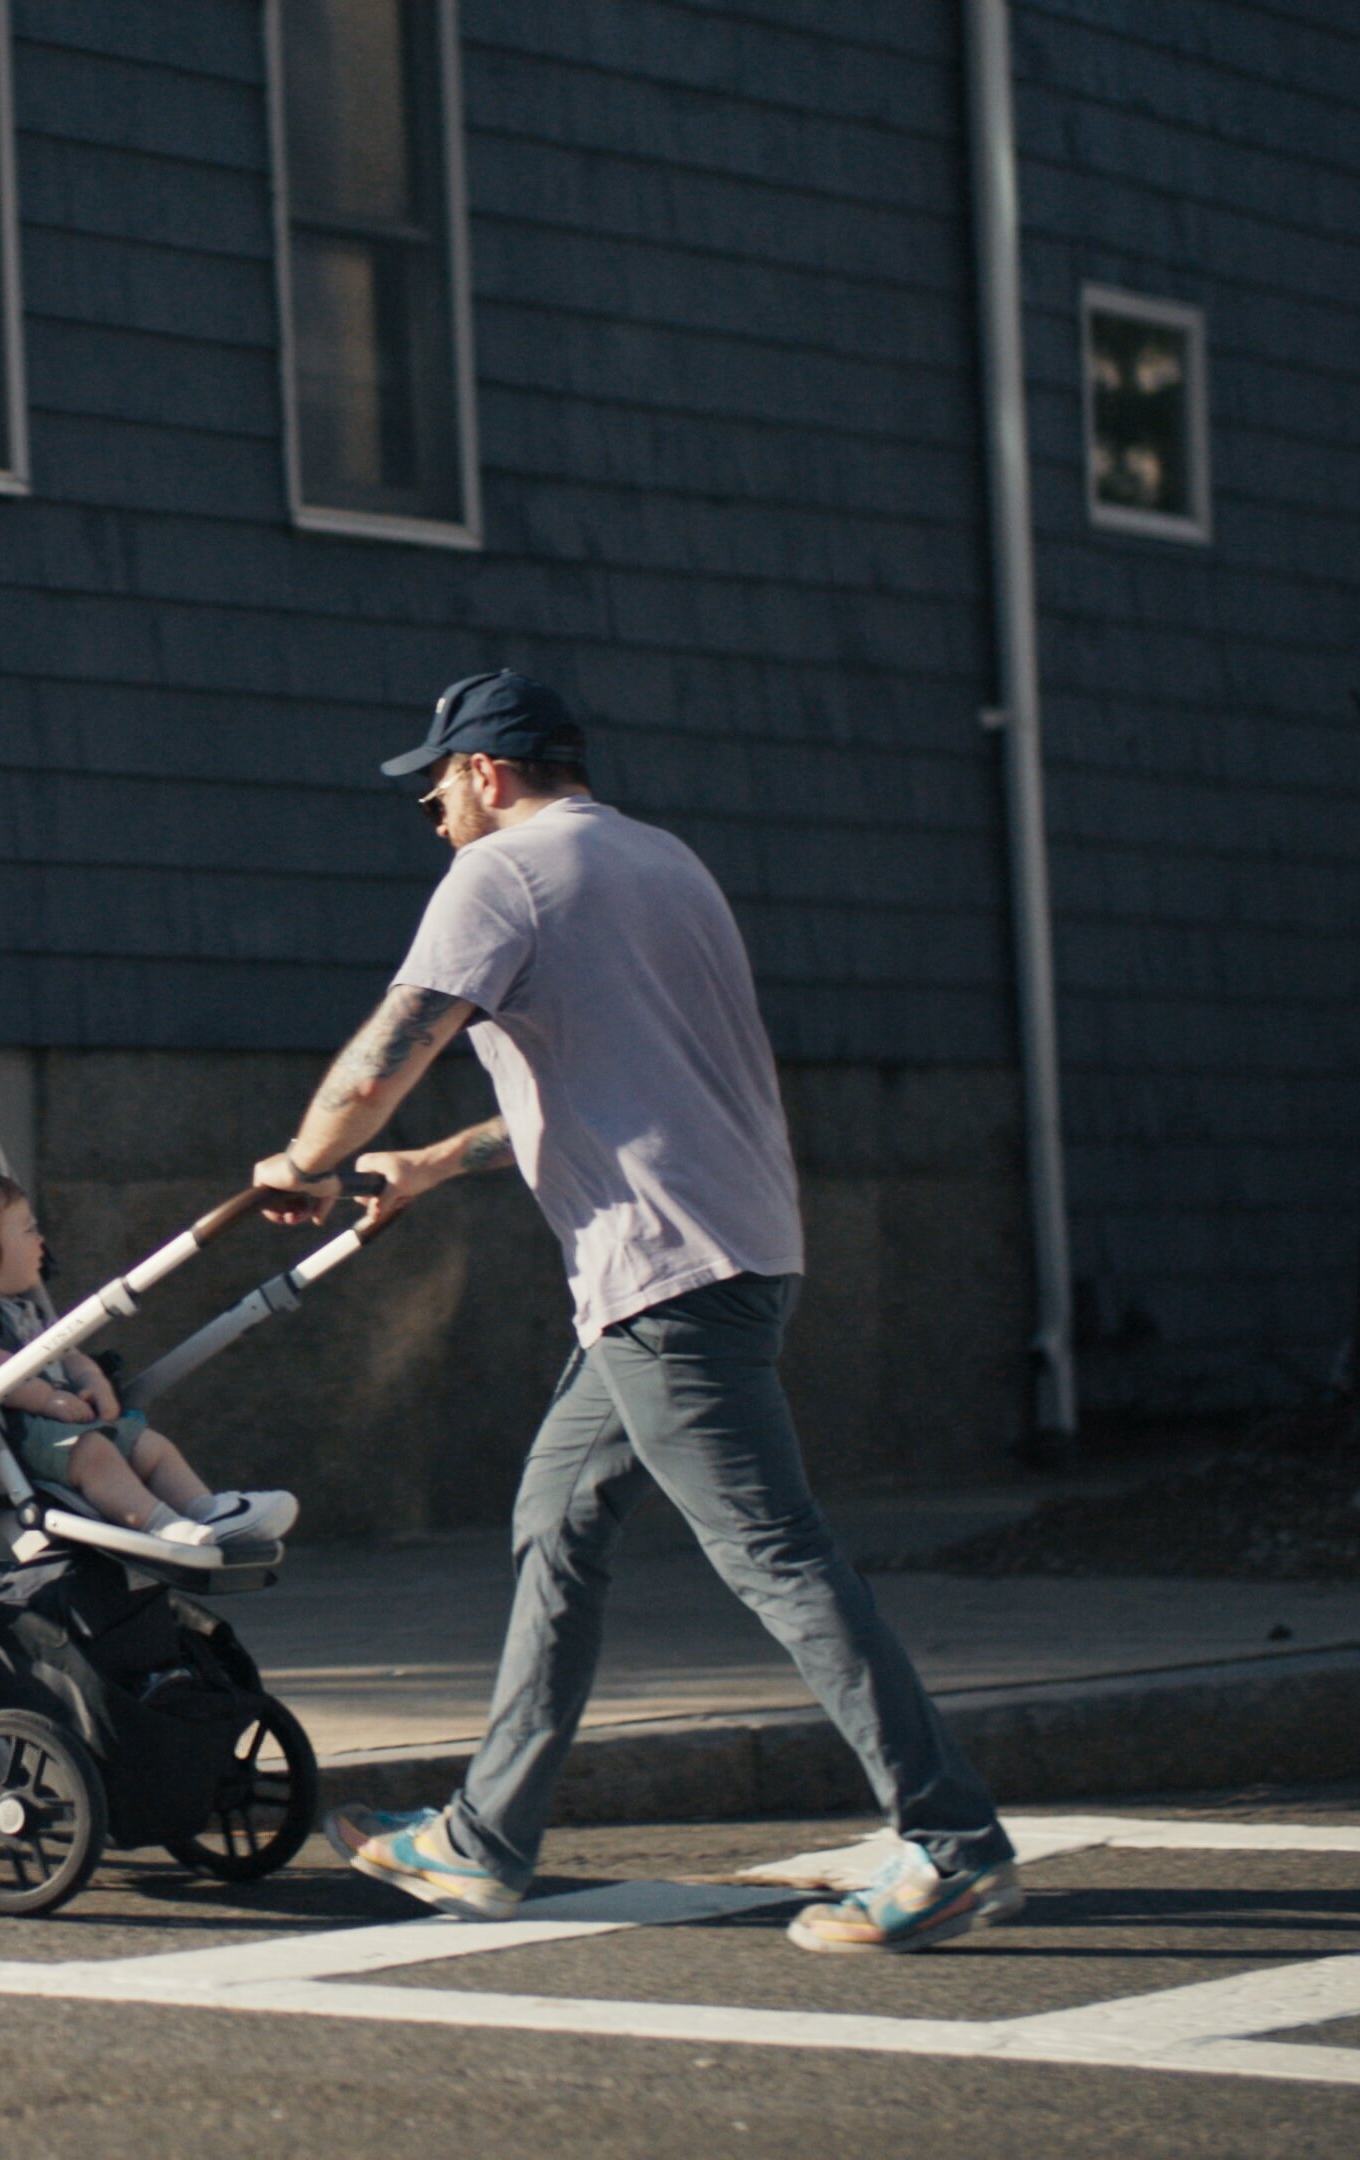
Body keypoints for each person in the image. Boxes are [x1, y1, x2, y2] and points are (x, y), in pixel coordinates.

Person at [256, 667, 1020, 1955]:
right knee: (555, 1518)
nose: (433, 808)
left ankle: (952, 1843)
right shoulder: (661, 864)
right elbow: (611, 1088)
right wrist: (439, 1165)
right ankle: (482, 1842)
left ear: (488, 773)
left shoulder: (498, 876)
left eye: (438, 781)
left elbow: (402, 1036)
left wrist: (305, 1155)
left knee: (776, 1555)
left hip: (666, 1273)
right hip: (727, 1254)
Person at [0, 1168, 297, 1548]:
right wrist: (47, 1399)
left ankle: (209, 1511)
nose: (41, 1240)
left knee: (150, 1445)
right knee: (95, 1454)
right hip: (26, 1433)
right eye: (29, 1230)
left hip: (71, 1422)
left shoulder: (25, 1308)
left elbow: (70, 1355)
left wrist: (93, 1382)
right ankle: (164, 1527)